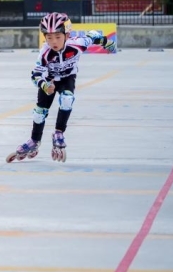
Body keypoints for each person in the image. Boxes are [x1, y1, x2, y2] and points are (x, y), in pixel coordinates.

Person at [7, 12, 116, 163]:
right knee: (39, 113)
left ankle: (59, 133)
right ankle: (34, 140)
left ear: (67, 35)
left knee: (67, 99)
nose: (54, 42)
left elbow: (93, 36)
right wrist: (44, 85)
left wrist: (107, 43)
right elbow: (35, 74)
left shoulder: (77, 43)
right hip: (49, 81)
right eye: (49, 37)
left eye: (58, 37)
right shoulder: (45, 53)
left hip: (67, 78)